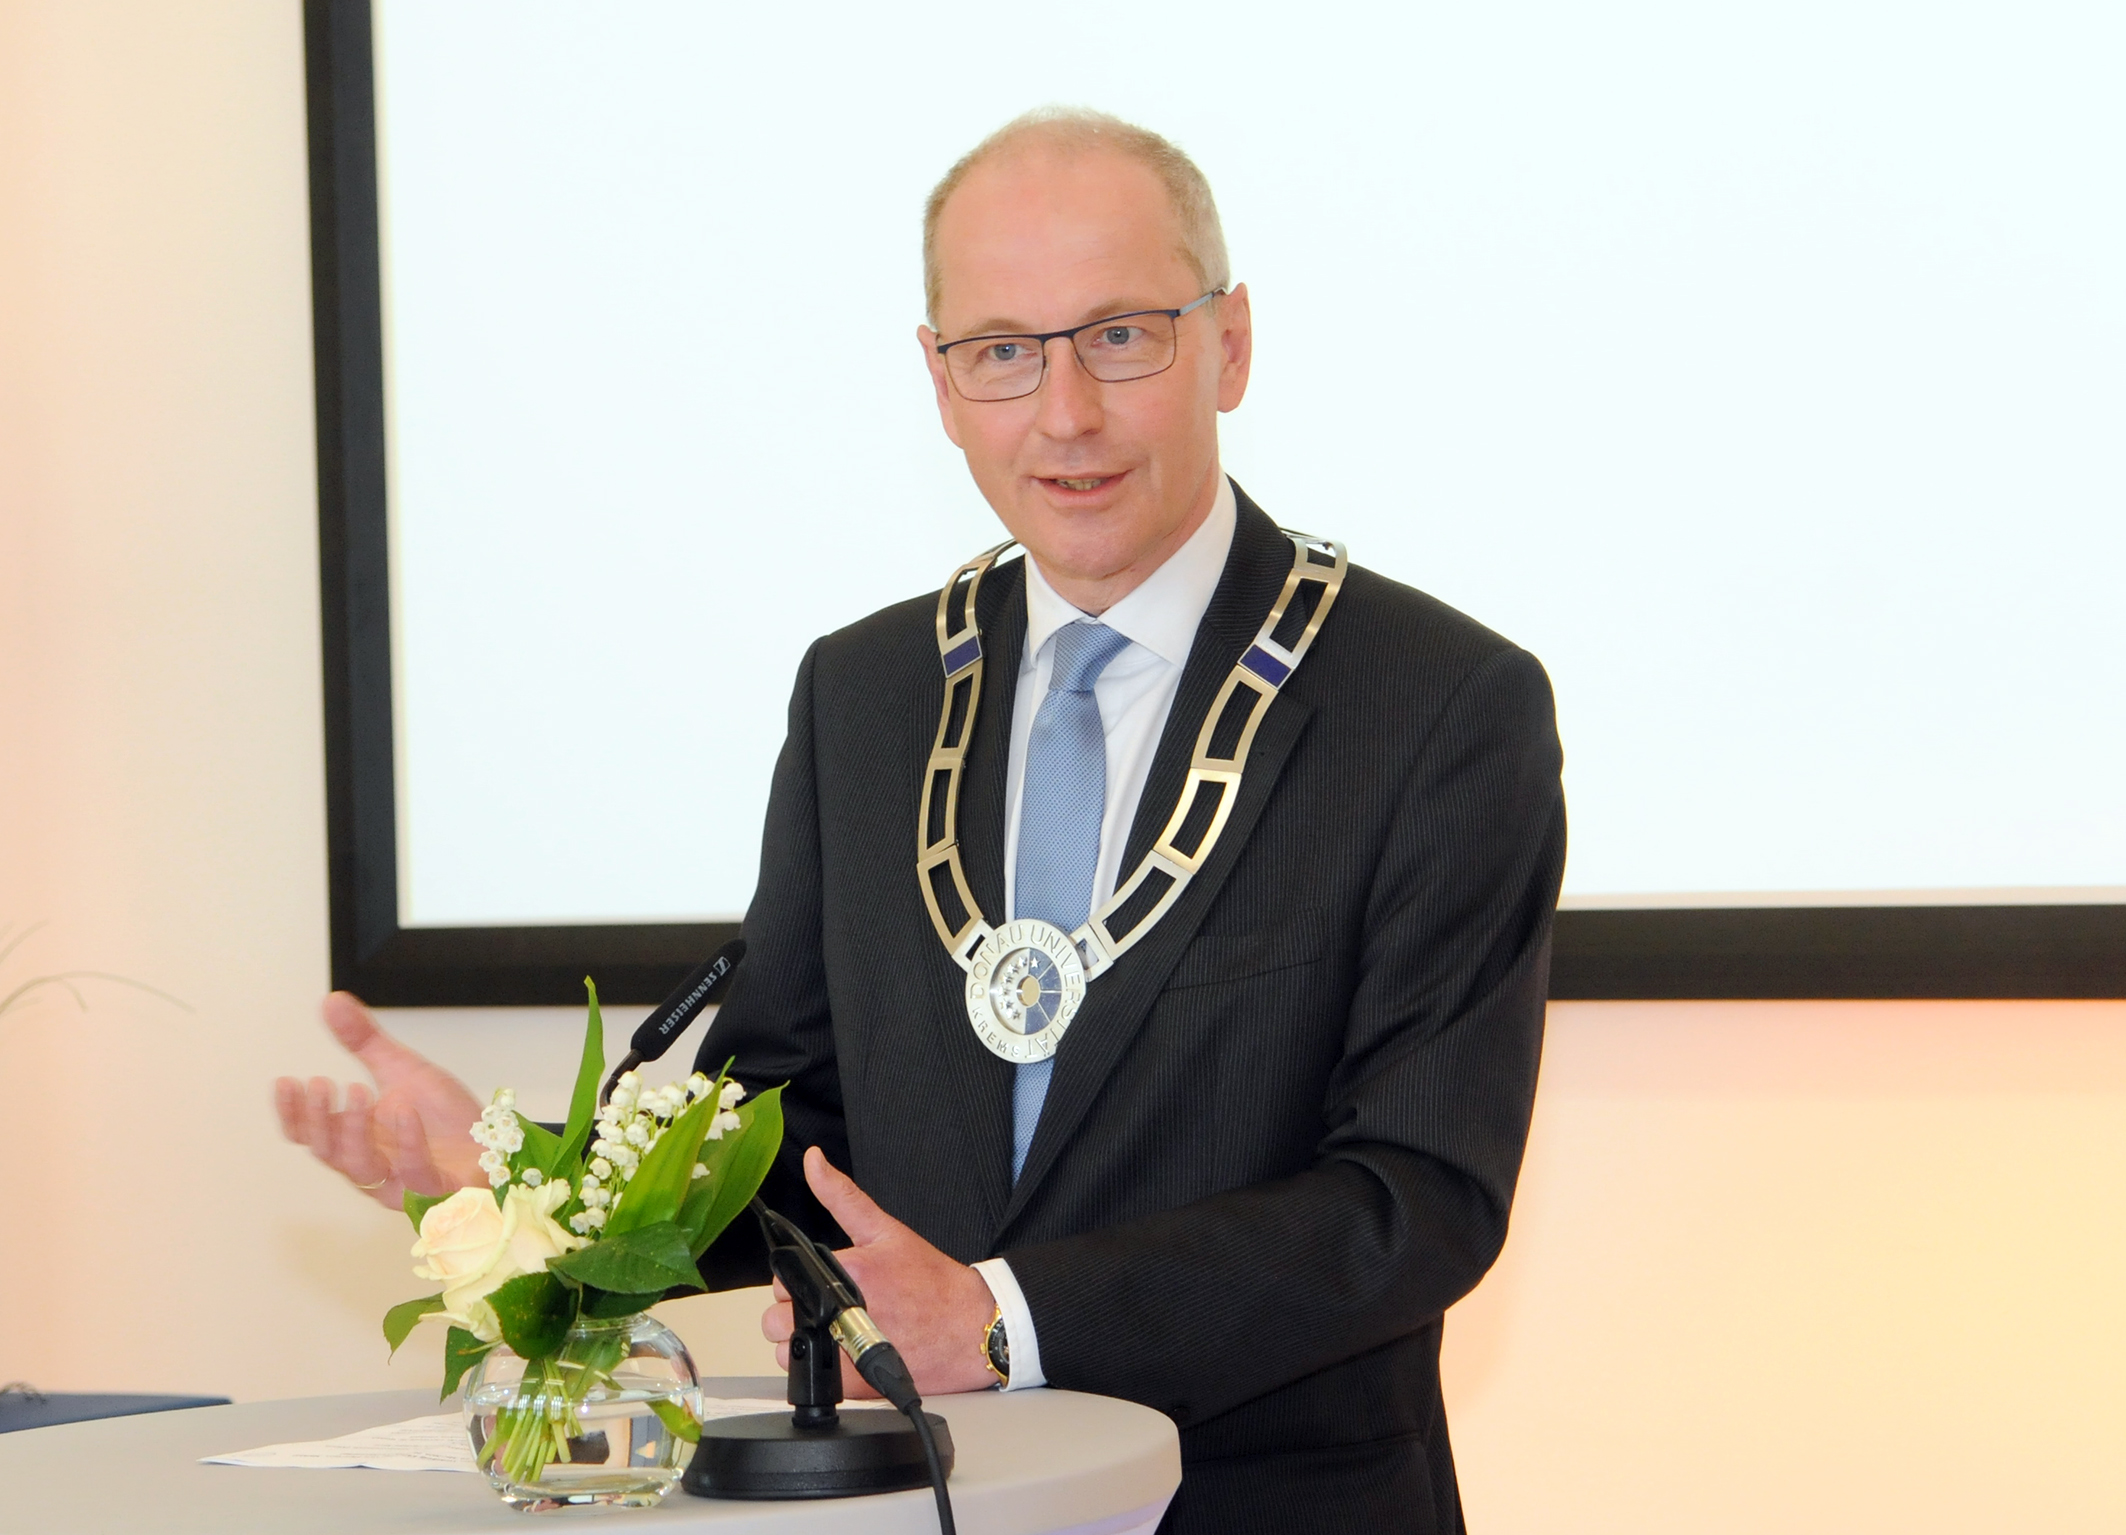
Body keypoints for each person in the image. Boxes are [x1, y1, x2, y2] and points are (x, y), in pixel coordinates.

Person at [278, 107, 1566, 1534]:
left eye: (1121, 334)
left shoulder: (1435, 704)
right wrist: (542, 1198)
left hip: (1270, 1504)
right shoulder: (867, 694)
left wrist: (1002, 1319)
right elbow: (793, 1124)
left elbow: (1417, 1194)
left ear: (1231, 343)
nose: (1063, 413)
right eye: (1001, 352)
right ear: (941, 383)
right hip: (907, 1505)